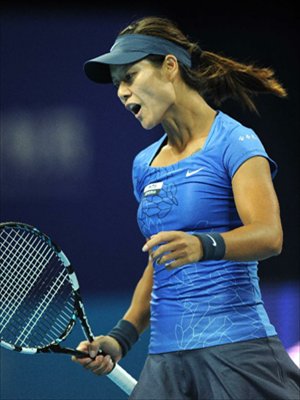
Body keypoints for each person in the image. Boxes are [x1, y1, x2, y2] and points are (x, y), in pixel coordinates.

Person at [72, 16, 300, 400]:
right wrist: (120, 338)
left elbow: (269, 234)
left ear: (170, 66)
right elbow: (159, 260)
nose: (122, 92)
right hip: (166, 361)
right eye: (117, 85)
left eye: (130, 76)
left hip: (237, 351)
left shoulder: (235, 142)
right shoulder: (144, 165)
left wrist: (202, 245)